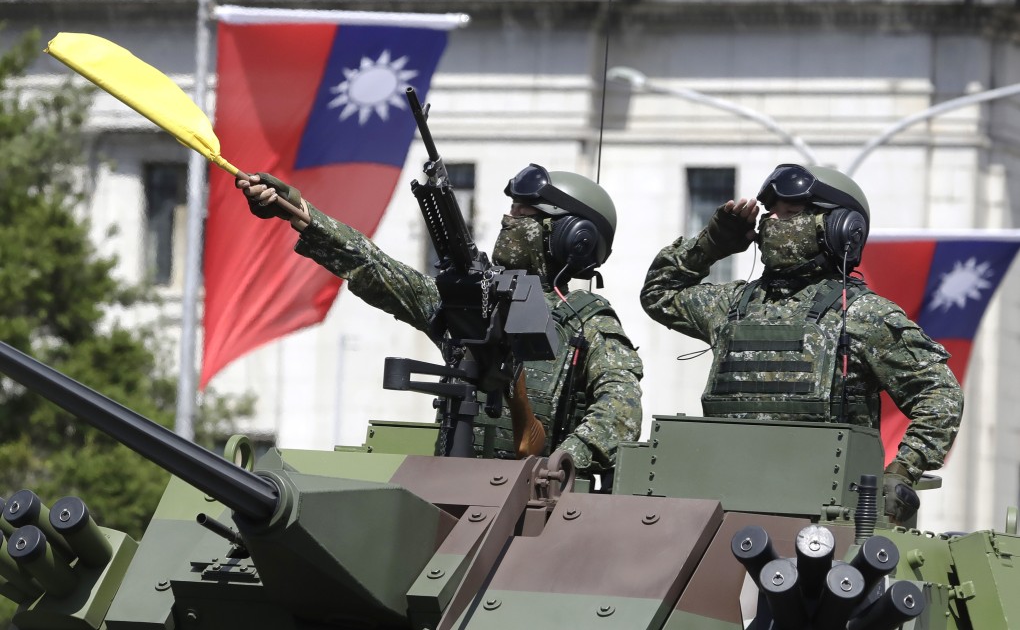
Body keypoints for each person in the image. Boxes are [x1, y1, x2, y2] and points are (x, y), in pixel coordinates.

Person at [237, 163, 643, 479]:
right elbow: (377, 270)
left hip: (532, 507)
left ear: (571, 235)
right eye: (511, 207)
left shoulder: (587, 322)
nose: (508, 219)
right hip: (448, 485)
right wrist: (301, 214)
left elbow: (620, 411)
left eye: (524, 212)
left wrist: (559, 466)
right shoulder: (476, 298)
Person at [640, 163, 963, 524]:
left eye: (791, 213)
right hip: (717, 506)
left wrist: (904, 470)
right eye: (771, 213)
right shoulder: (730, 306)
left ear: (840, 229)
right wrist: (712, 244)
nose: (773, 222)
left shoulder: (863, 315)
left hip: (823, 521)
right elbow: (659, 293)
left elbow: (939, 395)